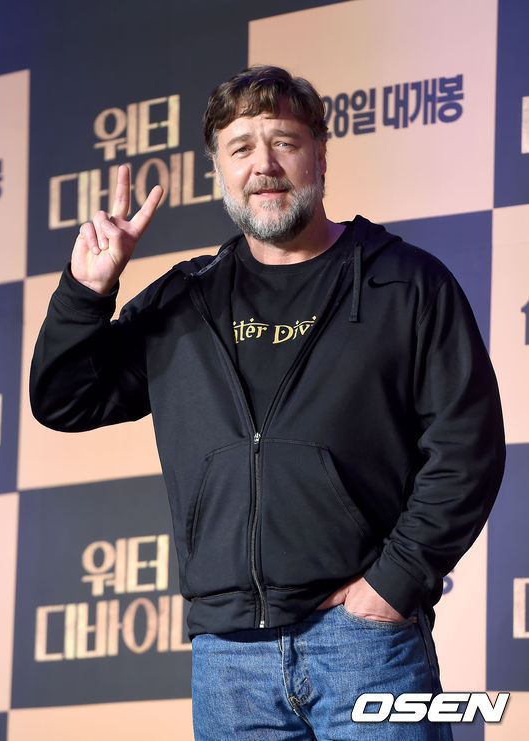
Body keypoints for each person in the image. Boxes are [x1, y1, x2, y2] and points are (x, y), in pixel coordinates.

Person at [31, 66, 505, 740]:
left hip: (365, 648)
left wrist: (392, 586)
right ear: (219, 171)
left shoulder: (407, 284)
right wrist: (86, 293)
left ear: (320, 153)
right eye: (241, 148)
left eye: (283, 141)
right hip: (228, 662)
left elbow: (468, 447)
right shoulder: (185, 298)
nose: (264, 165)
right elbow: (65, 400)